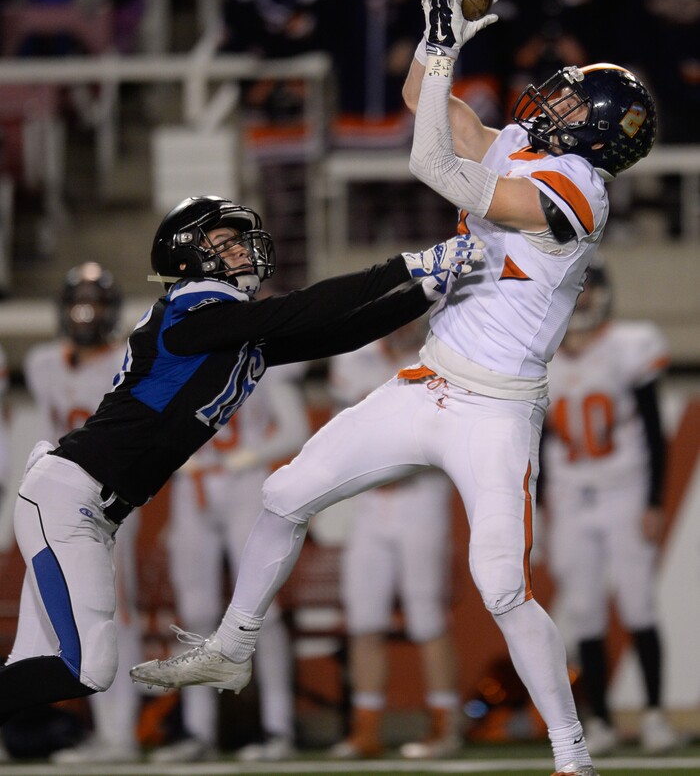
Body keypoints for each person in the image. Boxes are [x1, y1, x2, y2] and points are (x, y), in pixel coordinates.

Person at [130, 0, 658, 776]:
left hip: (495, 408)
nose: (548, 101)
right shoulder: (529, 144)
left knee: (503, 585)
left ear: (593, 132)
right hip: (429, 380)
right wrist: (439, 33)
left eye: (567, 100)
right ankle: (232, 646)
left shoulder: (581, 191)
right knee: (283, 492)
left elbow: (428, 162)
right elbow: (424, 100)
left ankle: (572, 756)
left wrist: (450, 35)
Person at [0, 194, 481, 727]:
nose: (239, 251)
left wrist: (431, 290)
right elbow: (304, 308)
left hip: (85, 505)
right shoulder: (187, 311)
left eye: (236, 241)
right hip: (70, 499)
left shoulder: (230, 330)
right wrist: (411, 263)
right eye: (223, 244)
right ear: (187, 258)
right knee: (87, 667)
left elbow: (341, 331)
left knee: (29, 668)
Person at [540, 258, 679, 757]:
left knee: (639, 602)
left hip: (624, 490)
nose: (584, 302)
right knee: (584, 612)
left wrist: (654, 499)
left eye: (589, 291)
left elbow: (651, 428)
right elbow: (536, 440)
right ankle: (597, 720)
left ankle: (656, 715)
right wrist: (540, 503)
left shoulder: (630, 344)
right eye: (577, 291)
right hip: (571, 495)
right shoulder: (543, 356)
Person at [151, 361, 310, 763]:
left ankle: (278, 727)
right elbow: (150, 426)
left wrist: (250, 454)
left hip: (245, 484)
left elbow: (296, 429)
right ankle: (197, 730)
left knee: (262, 613)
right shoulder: (180, 365)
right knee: (194, 613)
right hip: (195, 487)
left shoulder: (265, 365)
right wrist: (177, 457)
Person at [20, 262, 143, 764]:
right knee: (51, 615)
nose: (85, 312)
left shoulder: (129, 360)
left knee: (111, 613)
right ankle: (83, 728)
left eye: (95, 301)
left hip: (110, 503)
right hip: (56, 501)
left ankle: (120, 735)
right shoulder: (43, 362)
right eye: (77, 301)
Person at [327, 319, 462, 760]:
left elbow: (448, 437)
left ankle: (445, 724)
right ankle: (366, 727)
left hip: (421, 497)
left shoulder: (443, 356)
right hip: (369, 503)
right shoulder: (355, 358)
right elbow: (342, 432)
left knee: (426, 614)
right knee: (364, 618)